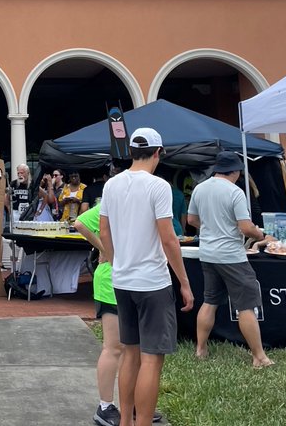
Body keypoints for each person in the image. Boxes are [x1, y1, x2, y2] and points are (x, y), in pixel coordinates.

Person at [99, 128, 193, 426]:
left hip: (122, 281)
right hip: (152, 282)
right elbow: (169, 238)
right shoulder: (159, 186)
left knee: (130, 354)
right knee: (152, 359)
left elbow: (104, 231)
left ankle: (125, 421)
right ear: (158, 153)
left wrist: (117, 263)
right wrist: (185, 282)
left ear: (131, 152)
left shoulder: (112, 185)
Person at [186, 150, 274, 368]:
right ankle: (259, 357)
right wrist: (262, 236)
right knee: (246, 305)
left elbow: (191, 219)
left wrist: (210, 228)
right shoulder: (235, 192)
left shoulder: (200, 188)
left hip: (208, 253)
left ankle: (201, 349)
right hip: (232, 256)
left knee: (210, 301)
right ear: (235, 171)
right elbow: (245, 227)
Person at [74, 200, 124, 426]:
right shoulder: (111, 202)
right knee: (114, 347)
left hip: (134, 280)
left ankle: (131, 404)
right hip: (111, 282)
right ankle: (105, 406)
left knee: (135, 350)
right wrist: (104, 250)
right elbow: (80, 223)